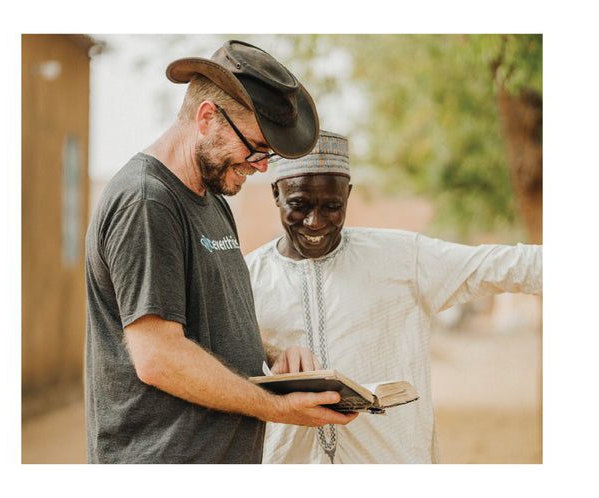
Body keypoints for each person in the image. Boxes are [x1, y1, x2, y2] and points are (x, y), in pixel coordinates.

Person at [84, 40, 357, 464]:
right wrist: (277, 407)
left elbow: (209, 325)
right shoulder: (147, 202)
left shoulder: (213, 201)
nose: (261, 165)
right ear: (207, 117)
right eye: (256, 146)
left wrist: (273, 358)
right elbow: (159, 356)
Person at [244, 130, 543, 463]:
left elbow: (499, 265)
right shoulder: (244, 278)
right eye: (299, 205)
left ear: (348, 195)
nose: (315, 222)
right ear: (276, 193)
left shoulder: (401, 258)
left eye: (332, 206)